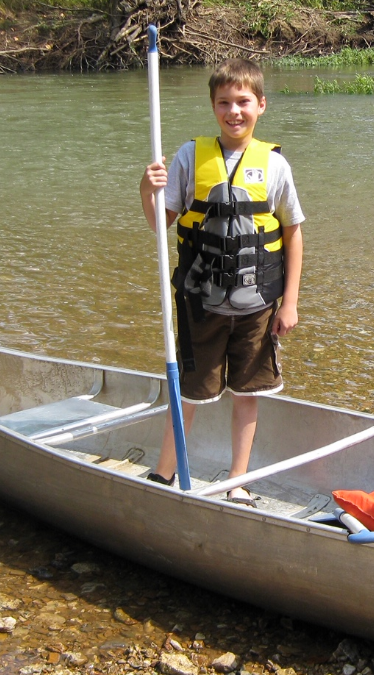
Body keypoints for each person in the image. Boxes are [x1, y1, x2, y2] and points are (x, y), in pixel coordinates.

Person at [139, 59, 305, 505]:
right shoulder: (190, 156)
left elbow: (292, 233)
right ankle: (164, 472)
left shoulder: (274, 165)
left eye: (243, 102)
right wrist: (145, 190)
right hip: (201, 303)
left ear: (261, 105)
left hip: (257, 306)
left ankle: (238, 481)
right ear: (213, 107)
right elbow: (163, 224)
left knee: (247, 395)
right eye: (224, 103)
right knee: (188, 393)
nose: (235, 111)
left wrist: (289, 303)